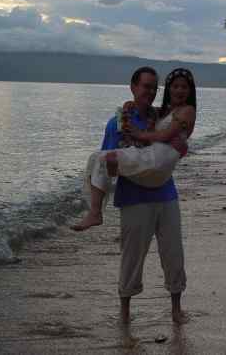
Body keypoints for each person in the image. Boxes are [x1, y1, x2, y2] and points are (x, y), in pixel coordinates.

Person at [73, 67, 197, 324]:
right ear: (133, 86)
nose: (150, 92)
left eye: (154, 87)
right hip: (134, 198)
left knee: (174, 253)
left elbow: (172, 133)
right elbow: (109, 167)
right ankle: (125, 314)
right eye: (145, 86)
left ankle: (176, 310)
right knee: (132, 257)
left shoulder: (159, 114)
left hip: (166, 195)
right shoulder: (117, 122)